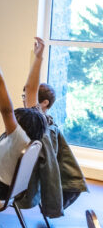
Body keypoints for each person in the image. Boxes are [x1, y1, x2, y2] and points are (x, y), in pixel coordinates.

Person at [18, 37, 87, 213]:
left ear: (44, 103)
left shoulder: (35, 122)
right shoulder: (49, 124)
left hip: (19, 183)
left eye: (26, 97)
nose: (24, 99)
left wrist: (38, 58)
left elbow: (29, 87)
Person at [0, 59, 48, 201]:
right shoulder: (33, 137)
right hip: (4, 187)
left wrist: (0, 79)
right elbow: (31, 90)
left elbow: (7, 111)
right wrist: (38, 56)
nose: (10, 124)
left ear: (22, 126)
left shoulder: (20, 138)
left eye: (15, 122)